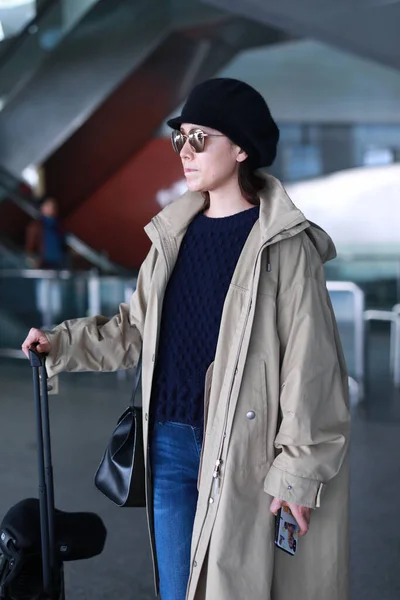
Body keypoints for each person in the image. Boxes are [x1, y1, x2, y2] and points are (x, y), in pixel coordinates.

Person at [22, 78, 350, 600]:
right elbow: (134, 329)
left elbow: (311, 369)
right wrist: (61, 344)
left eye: (201, 138)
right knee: (178, 591)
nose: (185, 152)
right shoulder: (172, 238)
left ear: (241, 148)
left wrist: (298, 472)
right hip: (170, 442)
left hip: (246, 453)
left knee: (232, 589)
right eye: (180, 138)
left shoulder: (285, 247)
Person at [25, 197, 67, 269]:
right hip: (43, 263)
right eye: (48, 206)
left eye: (53, 206)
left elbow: (62, 243)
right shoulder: (36, 226)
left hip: (59, 263)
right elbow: (30, 246)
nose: (51, 208)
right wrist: (32, 260)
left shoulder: (59, 225)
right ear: (42, 208)